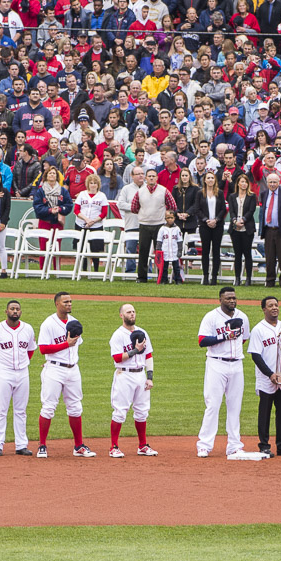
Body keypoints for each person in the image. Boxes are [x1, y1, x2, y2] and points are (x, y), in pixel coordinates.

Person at [36, 291, 93, 457]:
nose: (69, 304)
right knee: (48, 407)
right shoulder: (48, 323)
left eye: (70, 302)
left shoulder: (75, 322)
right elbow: (43, 349)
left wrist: (68, 347)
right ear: (57, 304)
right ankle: (42, 446)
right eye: (66, 302)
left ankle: (78, 446)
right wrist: (65, 344)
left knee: (75, 407)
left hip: (73, 369)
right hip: (54, 369)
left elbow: (76, 345)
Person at [197, 286, 251, 459]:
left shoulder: (242, 316)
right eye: (228, 298)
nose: (232, 301)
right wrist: (223, 337)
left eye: (234, 298)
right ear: (220, 299)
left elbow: (243, 339)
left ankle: (234, 445)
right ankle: (204, 445)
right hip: (216, 364)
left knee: (235, 406)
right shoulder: (211, 317)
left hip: (236, 365)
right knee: (213, 404)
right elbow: (202, 341)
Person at [247, 295, 281, 457]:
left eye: (276, 305)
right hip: (266, 379)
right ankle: (264, 445)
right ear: (264, 309)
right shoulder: (258, 330)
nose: (274, 308)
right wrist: (270, 374)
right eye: (270, 306)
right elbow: (255, 355)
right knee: (265, 413)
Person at [0, 299, 35, 456]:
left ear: (20, 312)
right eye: (12, 309)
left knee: (21, 410)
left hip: (22, 372)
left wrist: (22, 364)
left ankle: (21, 445)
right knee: (1, 409)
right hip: (4, 373)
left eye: (17, 309)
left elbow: (31, 350)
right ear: (6, 311)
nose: (15, 311)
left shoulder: (28, 329)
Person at [106, 303, 156, 458]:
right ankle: (114, 447)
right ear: (122, 315)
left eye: (133, 311)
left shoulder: (143, 333)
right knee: (120, 411)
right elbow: (116, 358)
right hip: (124, 375)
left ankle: (142, 446)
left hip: (140, 375)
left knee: (142, 411)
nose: (132, 314)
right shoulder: (118, 335)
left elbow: (148, 355)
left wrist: (149, 377)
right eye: (128, 312)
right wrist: (135, 350)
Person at [130, 168, 177, 283]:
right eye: (149, 176)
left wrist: (165, 216)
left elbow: (173, 206)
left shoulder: (163, 190)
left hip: (159, 225)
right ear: (146, 178)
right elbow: (134, 208)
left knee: (160, 252)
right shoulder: (140, 192)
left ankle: (162, 277)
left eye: (153, 176)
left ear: (157, 178)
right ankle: (141, 277)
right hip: (144, 224)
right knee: (143, 252)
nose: (151, 178)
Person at [191, 170, 228, 285]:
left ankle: (214, 277)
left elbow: (223, 208)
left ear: (215, 180)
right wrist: (206, 220)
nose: (210, 180)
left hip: (217, 225)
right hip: (204, 225)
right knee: (205, 251)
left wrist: (216, 220)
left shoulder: (220, 193)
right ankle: (206, 276)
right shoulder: (200, 193)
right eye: (208, 178)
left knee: (216, 251)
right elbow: (197, 209)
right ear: (205, 180)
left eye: (212, 178)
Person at [258, 172, 281, 287]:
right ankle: (270, 280)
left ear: (279, 182)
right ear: (267, 183)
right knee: (270, 258)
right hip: (268, 230)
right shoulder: (264, 194)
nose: (272, 184)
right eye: (270, 182)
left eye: (274, 182)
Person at [228, 172, 258, 286]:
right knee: (237, 254)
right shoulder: (232, 196)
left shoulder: (251, 196)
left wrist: (243, 220)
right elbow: (231, 211)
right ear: (238, 183)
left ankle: (248, 278)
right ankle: (237, 278)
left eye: (246, 182)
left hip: (247, 228)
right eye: (242, 182)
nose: (244, 184)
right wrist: (235, 221)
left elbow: (251, 211)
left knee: (247, 253)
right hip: (235, 229)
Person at [157, 210, 185, 284]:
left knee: (176, 267)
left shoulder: (177, 229)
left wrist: (180, 250)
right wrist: (158, 250)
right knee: (164, 267)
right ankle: (164, 279)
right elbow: (159, 240)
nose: (170, 219)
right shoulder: (162, 229)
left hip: (174, 251)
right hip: (165, 251)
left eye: (171, 218)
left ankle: (178, 280)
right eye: (168, 218)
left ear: (174, 218)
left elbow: (179, 241)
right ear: (165, 218)